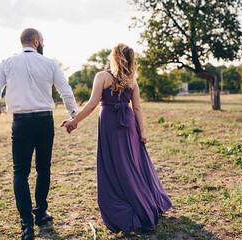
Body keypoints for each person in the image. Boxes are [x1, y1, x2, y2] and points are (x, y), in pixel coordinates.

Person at [0, 28, 77, 240]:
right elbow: (65, 91)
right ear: (36, 40)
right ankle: (40, 213)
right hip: (44, 122)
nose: (43, 44)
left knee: (20, 173)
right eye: (42, 41)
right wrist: (73, 116)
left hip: (21, 124)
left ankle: (27, 224)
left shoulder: (7, 63)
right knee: (43, 168)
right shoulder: (50, 64)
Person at [63, 43, 172, 233]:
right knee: (131, 164)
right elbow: (137, 108)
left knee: (115, 165)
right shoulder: (132, 80)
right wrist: (142, 132)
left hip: (109, 124)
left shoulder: (102, 77)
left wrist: (74, 121)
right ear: (130, 59)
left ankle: (127, 207)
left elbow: (92, 104)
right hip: (129, 124)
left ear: (114, 57)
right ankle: (144, 202)